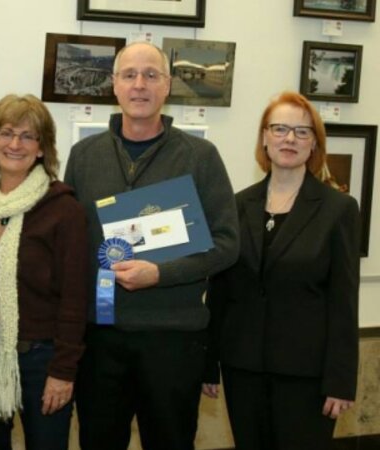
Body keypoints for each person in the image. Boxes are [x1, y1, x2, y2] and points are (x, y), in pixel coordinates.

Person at [64, 41, 239, 450]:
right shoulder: (83, 156)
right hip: (101, 339)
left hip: (173, 340)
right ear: (114, 85)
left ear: (168, 85)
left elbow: (228, 244)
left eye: (151, 75)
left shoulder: (200, 156)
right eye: (129, 75)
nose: (139, 84)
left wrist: (161, 274)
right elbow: (71, 244)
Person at [204, 92, 359, 449]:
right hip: (243, 369)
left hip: (306, 375)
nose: (289, 139)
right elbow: (220, 292)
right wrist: (208, 364)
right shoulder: (237, 205)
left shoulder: (338, 210)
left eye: (302, 132)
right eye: (280, 128)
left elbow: (343, 300)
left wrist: (340, 380)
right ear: (264, 137)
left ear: (314, 145)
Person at [0, 94, 88, 450]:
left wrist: (63, 371)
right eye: (6, 133)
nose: (15, 144)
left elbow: (76, 298)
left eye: (28, 136)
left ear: (42, 149)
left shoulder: (64, 211)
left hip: (43, 361)